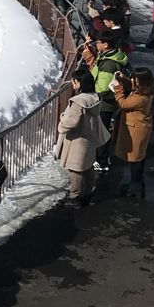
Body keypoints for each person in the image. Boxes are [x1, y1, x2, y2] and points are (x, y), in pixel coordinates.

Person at [80, 30, 130, 169]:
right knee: (102, 129)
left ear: (106, 44)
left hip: (104, 104)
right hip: (106, 103)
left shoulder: (108, 64)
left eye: (99, 42)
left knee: (101, 131)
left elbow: (102, 88)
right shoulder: (110, 57)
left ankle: (101, 160)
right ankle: (101, 157)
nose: (96, 44)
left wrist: (89, 90)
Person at [56, 69, 106, 207]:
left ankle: (75, 197)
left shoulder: (78, 101)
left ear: (78, 82)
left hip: (77, 140)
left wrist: (61, 124)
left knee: (75, 169)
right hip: (89, 138)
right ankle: (88, 192)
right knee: (87, 166)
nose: (73, 83)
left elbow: (71, 122)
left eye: (74, 81)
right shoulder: (94, 97)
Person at [112, 67, 154, 198]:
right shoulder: (149, 88)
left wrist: (117, 88)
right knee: (139, 156)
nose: (132, 81)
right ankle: (136, 183)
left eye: (135, 79)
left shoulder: (139, 98)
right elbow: (132, 86)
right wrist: (123, 79)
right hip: (141, 126)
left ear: (141, 81)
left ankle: (135, 186)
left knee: (135, 158)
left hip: (135, 129)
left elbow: (123, 103)